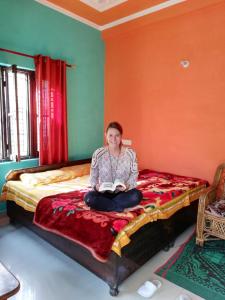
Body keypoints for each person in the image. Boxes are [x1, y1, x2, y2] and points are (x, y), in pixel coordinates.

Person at [84, 121, 142, 212]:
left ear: (121, 136)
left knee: (136, 195)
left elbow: (134, 174)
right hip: (103, 193)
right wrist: (96, 186)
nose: (113, 139)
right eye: (110, 135)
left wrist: (127, 186)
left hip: (123, 193)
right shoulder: (98, 154)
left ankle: (107, 205)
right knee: (88, 198)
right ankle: (118, 207)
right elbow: (93, 177)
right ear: (105, 135)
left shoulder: (130, 154)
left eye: (117, 135)